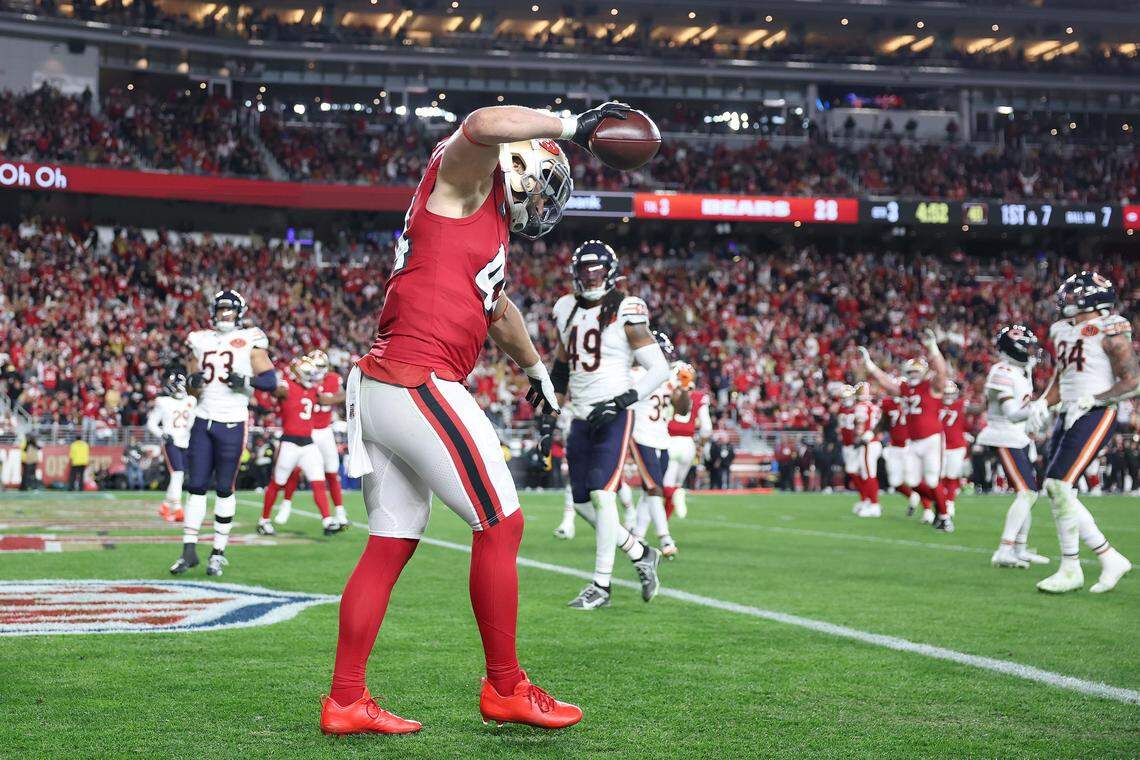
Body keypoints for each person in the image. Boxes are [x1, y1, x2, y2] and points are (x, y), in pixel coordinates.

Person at [325, 101, 632, 735]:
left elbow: (495, 309)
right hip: (418, 378)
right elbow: (482, 122)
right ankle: (506, 686)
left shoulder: (483, 221)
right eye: (544, 181)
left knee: (390, 544)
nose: (543, 201)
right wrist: (573, 126)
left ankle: (346, 699)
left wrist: (540, 373)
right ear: (521, 161)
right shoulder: (466, 177)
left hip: (385, 386)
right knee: (502, 524)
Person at [551, 240, 668, 610]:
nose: (591, 277)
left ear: (611, 273)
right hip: (580, 416)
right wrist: (546, 412)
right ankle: (640, 551)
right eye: (585, 271)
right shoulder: (565, 308)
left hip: (614, 413)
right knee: (583, 504)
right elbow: (560, 363)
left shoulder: (626, 308)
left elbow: (659, 368)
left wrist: (621, 401)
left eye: (597, 271)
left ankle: (601, 585)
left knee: (603, 495)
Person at [1027, 272, 1133, 594]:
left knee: (1058, 485)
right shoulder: (1060, 329)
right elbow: (1062, 378)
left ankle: (1071, 568)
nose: (1067, 301)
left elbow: (1132, 381)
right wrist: (1043, 403)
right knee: (1057, 489)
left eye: (1074, 295)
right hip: (1068, 411)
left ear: (1093, 299)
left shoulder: (1112, 327)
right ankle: (1109, 557)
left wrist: (1097, 398)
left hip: (1097, 411)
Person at [172, 289, 277, 577]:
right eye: (220, 310)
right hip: (203, 418)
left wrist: (245, 379)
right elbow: (193, 387)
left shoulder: (251, 338)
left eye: (230, 310)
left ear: (240, 312)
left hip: (232, 420)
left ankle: (218, 552)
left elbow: (270, 379)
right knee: (195, 486)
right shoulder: (199, 339)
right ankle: (188, 550)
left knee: (223, 487)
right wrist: (192, 382)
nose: (224, 314)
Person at [860, 329, 954, 531]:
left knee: (930, 479)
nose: (912, 375)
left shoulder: (932, 386)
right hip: (913, 442)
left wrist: (933, 348)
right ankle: (941, 503)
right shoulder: (904, 390)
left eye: (915, 372)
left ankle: (945, 516)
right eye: (909, 372)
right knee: (909, 480)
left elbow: (942, 372)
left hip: (932, 439)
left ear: (923, 372)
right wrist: (870, 366)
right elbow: (886, 382)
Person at [977, 324, 1050, 569]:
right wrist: (1042, 406)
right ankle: (1004, 549)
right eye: (1027, 346)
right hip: (1004, 435)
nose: (1031, 352)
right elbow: (1011, 414)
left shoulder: (1019, 372)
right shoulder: (1002, 371)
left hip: (1016, 437)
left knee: (1028, 493)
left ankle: (1019, 548)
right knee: (1027, 492)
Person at [259, 356, 340, 536]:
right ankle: (263, 520)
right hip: (289, 443)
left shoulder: (313, 390)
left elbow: (330, 399)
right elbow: (275, 390)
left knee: (318, 481)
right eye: (308, 374)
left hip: (308, 444)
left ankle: (327, 520)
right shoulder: (287, 386)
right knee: (278, 482)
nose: (311, 377)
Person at [275, 348, 349, 529]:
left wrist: (326, 399)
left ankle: (339, 511)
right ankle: (286, 504)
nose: (320, 370)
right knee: (295, 470)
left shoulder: (332, 378)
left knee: (332, 471)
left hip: (325, 431)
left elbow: (343, 395)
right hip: (307, 431)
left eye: (322, 366)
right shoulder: (304, 380)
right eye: (316, 366)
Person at [629, 329, 686, 558]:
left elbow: (683, 410)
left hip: (661, 438)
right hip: (641, 435)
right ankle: (664, 537)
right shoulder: (634, 374)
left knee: (650, 489)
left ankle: (638, 536)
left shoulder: (668, 375)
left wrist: (684, 389)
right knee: (655, 488)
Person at [146, 369, 197, 522]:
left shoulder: (191, 401)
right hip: (171, 442)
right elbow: (151, 424)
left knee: (179, 476)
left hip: (186, 442)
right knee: (178, 474)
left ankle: (165, 505)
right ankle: (177, 508)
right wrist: (163, 435)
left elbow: (192, 422)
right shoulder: (163, 402)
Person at [663, 361, 710, 517]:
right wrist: (700, 447)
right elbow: (706, 429)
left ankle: (663, 529)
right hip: (688, 444)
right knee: (676, 485)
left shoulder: (669, 392)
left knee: (665, 487)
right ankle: (665, 531)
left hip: (669, 441)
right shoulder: (699, 396)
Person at [851, 382, 883, 518]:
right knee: (867, 473)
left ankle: (874, 504)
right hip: (873, 442)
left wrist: (860, 436)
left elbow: (860, 425)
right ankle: (870, 501)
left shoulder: (862, 406)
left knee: (869, 474)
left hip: (868, 443)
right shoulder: (873, 406)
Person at [939, 381, 968, 515]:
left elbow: (976, 410)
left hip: (957, 446)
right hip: (939, 446)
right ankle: (942, 502)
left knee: (951, 476)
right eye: (946, 393)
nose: (948, 396)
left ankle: (949, 502)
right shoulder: (936, 405)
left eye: (951, 393)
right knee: (940, 477)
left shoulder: (962, 405)